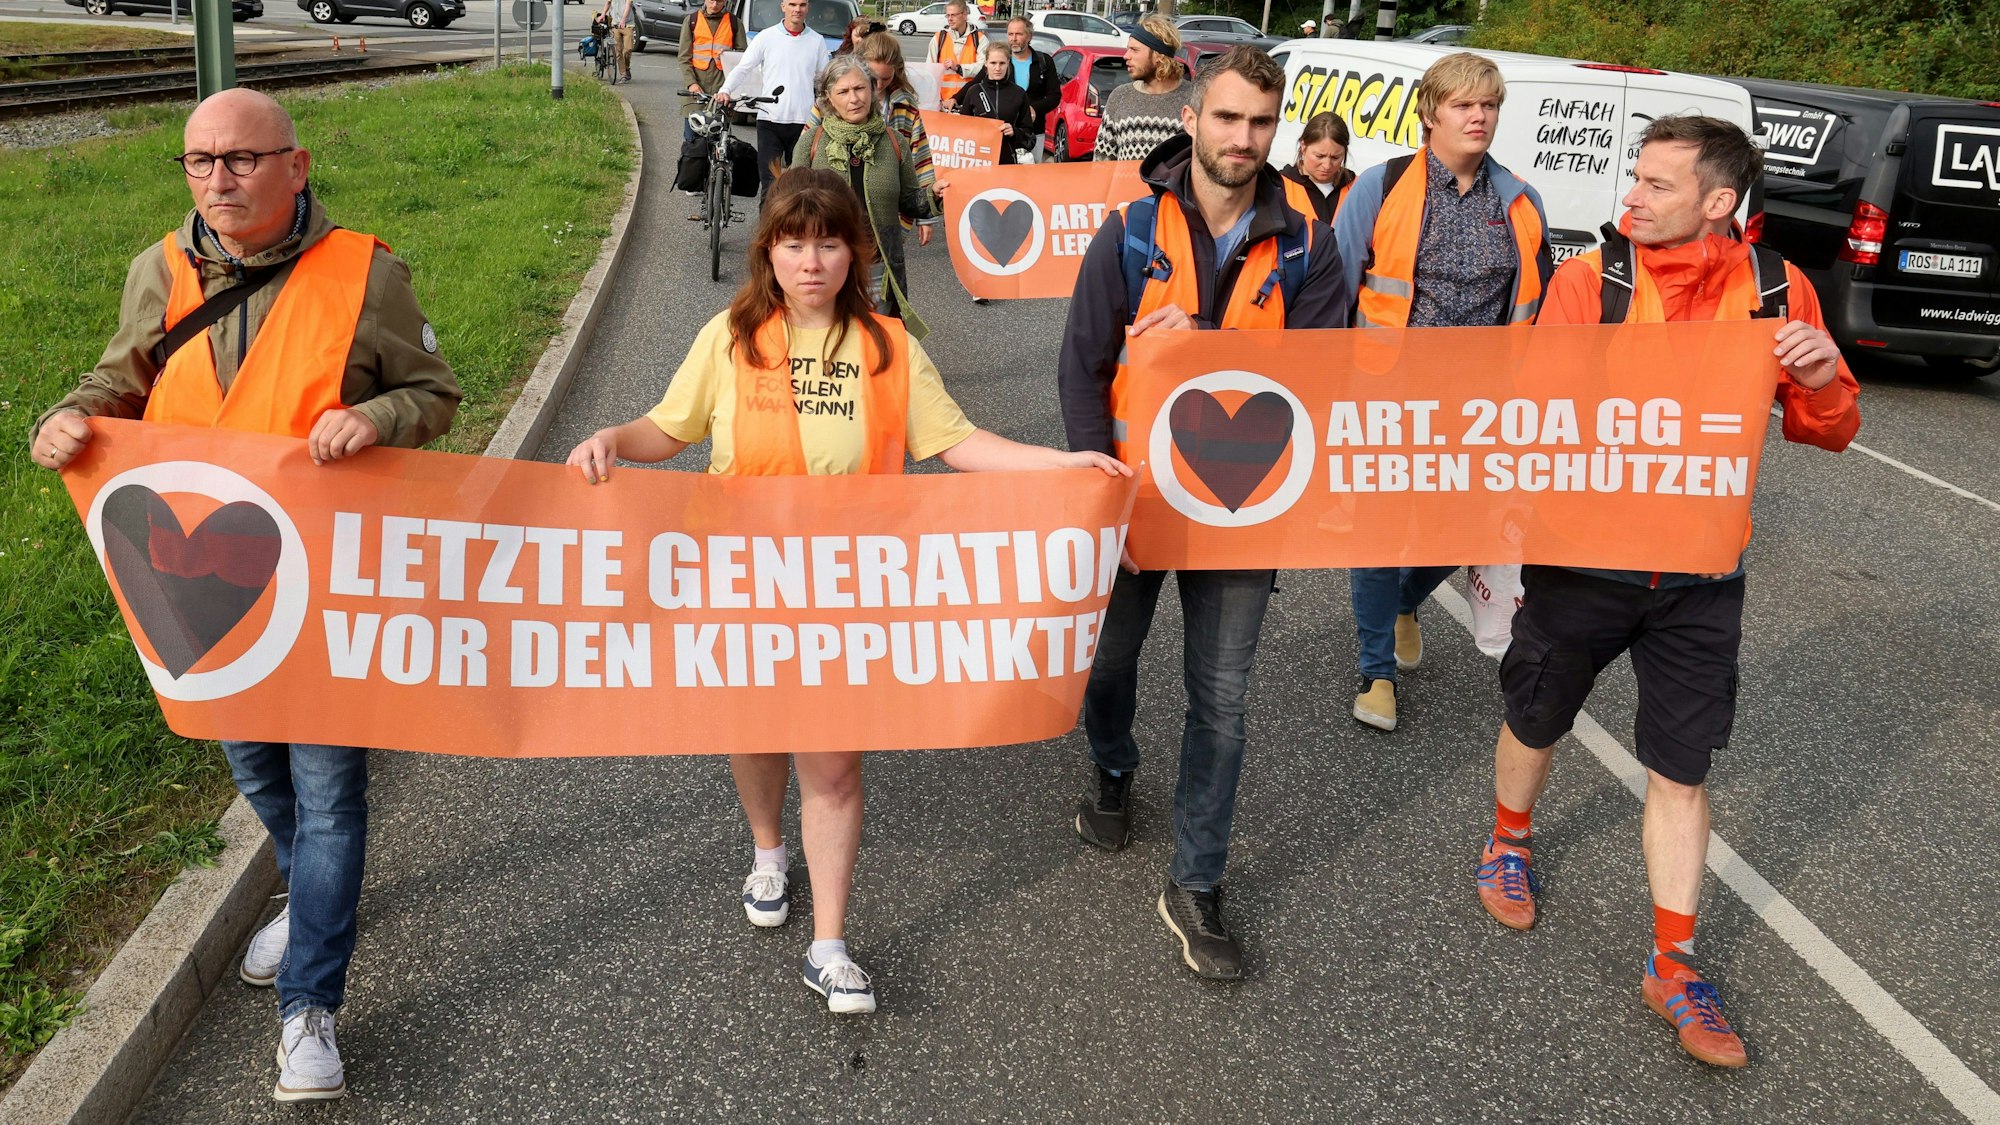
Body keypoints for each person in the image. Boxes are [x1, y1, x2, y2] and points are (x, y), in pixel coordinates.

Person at [565, 168, 1127, 1015]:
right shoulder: (731, 337)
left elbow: (959, 443)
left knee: (831, 762)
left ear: (853, 251)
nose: (811, 259)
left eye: (828, 240)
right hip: (745, 582)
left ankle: (828, 944)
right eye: (793, 242)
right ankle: (766, 848)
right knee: (754, 730)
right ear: (770, 252)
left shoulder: (889, 346)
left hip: (849, 592)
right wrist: (611, 435)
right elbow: (670, 427)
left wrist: (1064, 463)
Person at [30, 89, 460, 1103]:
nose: (217, 180)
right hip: (196, 592)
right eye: (198, 162)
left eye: (240, 160)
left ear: (295, 165)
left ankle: (309, 1003)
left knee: (327, 792)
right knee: (259, 774)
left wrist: (380, 417)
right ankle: (315, 900)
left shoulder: (366, 271)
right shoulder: (159, 269)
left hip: (321, 586)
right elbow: (118, 382)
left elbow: (434, 394)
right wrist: (66, 418)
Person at [1473, 114, 1859, 1070]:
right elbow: (1535, 408)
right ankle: (1509, 839)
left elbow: (1830, 428)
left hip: (1701, 577)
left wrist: (1818, 380)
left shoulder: (1780, 287)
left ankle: (1674, 963)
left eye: (1654, 185)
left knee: (1683, 769)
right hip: (1585, 560)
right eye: (1633, 179)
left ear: (1718, 203)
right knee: (1538, 714)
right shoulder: (1589, 280)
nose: (1630, 199)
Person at [1058, 46, 1349, 980]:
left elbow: (1323, 371)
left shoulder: (1308, 236)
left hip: (1242, 504)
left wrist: (1209, 342)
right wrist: (1093, 478)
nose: (1245, 140)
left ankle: (1196, 881)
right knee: (1107, 663)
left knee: (1221, 701)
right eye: (1227, 119)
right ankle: (1111, 762)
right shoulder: (1134, 227)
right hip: (1137, 502)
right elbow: (1081, 363)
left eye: (1262, 124)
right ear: (1192, 118)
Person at [1331, 51, 1553, 733]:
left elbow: (1537, 304)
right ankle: (1376, 670)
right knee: (1376, 532)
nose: (1478, 115)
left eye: (1488, 104)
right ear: (1431, 113)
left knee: (1465, 529)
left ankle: (1403, 599)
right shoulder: (1381, 185)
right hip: (1387, 392)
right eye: (1463, 104)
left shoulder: (1518, 197)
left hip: (1482, 403)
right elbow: (1335, 287)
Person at [793, 56, 939, 326]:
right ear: (828, 96)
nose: (854, 99)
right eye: (843, 92)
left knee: (873, 347)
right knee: (827, 345)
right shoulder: (810, 144)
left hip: (875, 267)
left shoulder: (895, 143)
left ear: (873, 89)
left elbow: (909, 203)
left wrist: (934, 196)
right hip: (822, 268)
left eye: (860, 89)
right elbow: (788, 210)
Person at [717, 0, 828, 198]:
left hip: (804, 124)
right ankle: (766, 228)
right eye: (792, 4)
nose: (797, 9)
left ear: (808, 7)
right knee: (770, 186)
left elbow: (824, 82)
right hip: (770, 120)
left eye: (802, 5)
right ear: (783, 6)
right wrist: (726, 90)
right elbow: (743, 68)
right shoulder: (766, 37)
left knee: (801, 187)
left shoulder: (817, 41)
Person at [1093, 14, 1192, 163]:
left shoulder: (1194, 99)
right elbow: (1101, 162)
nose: (1126, 56)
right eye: (1128, 49)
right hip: (1124, 187)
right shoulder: (1119, 97)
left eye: (1134, 49)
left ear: (1159, 55)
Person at [678, 0, 745, 194]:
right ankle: (692, 180)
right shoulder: (691, 21)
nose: (715, 4)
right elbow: (684, 57)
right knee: (692, 136)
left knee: (718, 136)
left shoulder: (734, 22)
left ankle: (715, 177)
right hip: (696, 88)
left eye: (720, 0)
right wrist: (691, 83)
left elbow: (743, 58)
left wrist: (730, 55)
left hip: (722, 87)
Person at [955, 41, 1035, 164]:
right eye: (993, 63)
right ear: (986, 63)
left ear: (1008, 63)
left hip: (1008, 162)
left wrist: (1014, 132)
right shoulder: (974, 92)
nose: (997, 68)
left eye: (1002, 63)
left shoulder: (1019, 93)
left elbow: (1030, 137)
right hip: (978, 162)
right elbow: (961, 131)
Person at [1278, 110, 1354, 223]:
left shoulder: (1357, 187)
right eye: (1320, 156)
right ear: (1303, 147)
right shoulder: (1279, 186)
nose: (1327, 165)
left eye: (1335, 157)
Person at [1004, 15, 1061, 163]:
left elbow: (1055, 96)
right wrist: (954, 99)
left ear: (1029, 36)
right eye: (1010, 34)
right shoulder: (1001, 61)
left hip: (1034, 133)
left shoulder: (1044, 62)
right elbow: (977, 84)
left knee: (1030, 180)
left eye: (1019, 34)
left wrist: (1034, 108)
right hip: (1004, 131)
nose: (1013, 38)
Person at [927, 0, 986, 111]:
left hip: (969, 104)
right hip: (942, 104)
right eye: (947, 15)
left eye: (953, 15)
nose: (949, 18)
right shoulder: (939, 38)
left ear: (964, 15)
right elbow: (929, 72)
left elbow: (984, 69)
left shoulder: (979, 39)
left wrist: (959, 68)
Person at [599, 0, 637, 82]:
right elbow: (608, 2)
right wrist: (603, 14)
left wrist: (623, 20)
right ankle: (623, 74)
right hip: (615, 25)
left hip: (627, 25)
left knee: (628, 49)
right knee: (618, 51)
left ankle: (626, 68)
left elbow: (628, 5)